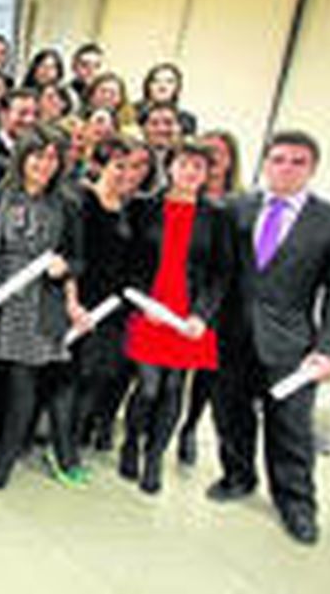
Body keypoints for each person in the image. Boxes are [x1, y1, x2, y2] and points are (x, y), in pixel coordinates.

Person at [209, 130, 330, 545]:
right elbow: (218, 273)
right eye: (278, 159)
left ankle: (296, 504)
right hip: (232, 337)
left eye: (297, 161)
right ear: (265, 163)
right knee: (231, 416)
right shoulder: (236, 208)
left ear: (312, 168)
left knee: (290, 429)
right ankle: (238, 477)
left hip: (291, 346)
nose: (286, 168)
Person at [0, 128, 87, 490]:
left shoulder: (67, 203)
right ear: (22, 157)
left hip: (37, 304)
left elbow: (79, 260)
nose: (44, 165)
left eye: (52, 158)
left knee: (22, 383)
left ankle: (4, 460)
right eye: (37, 156)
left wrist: (66, 268)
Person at [119, 142, 234, 495]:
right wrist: (143, 303)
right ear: (169, 167)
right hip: (149, 309)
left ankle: (155, 458)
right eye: (184, 164)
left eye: (199, 168)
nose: (191, 173)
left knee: (173, 389)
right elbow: (130, 263)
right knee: (149, 387)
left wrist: (202, 314)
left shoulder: (216, 215)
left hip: (189, 318)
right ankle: (132, 442)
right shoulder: (143, 207)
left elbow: (221, 273)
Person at [72, 137, 146, 454]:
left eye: (132, 168)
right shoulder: (81, 200)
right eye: (118, 165)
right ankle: (59, 437)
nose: (125, 174)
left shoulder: (131, 209)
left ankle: (75, 438)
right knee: (72, 375)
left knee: (97, 376)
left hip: (113, 309)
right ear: (100, 166)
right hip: (80, 302)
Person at [177, 128, 243, 465]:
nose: (214, 159)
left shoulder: (239, 202)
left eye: (220, 153)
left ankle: (189, 428)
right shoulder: (182, 195)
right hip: (179, 295)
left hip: (218, 300)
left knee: (205, 373)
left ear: (230, 160)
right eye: (208, 152)